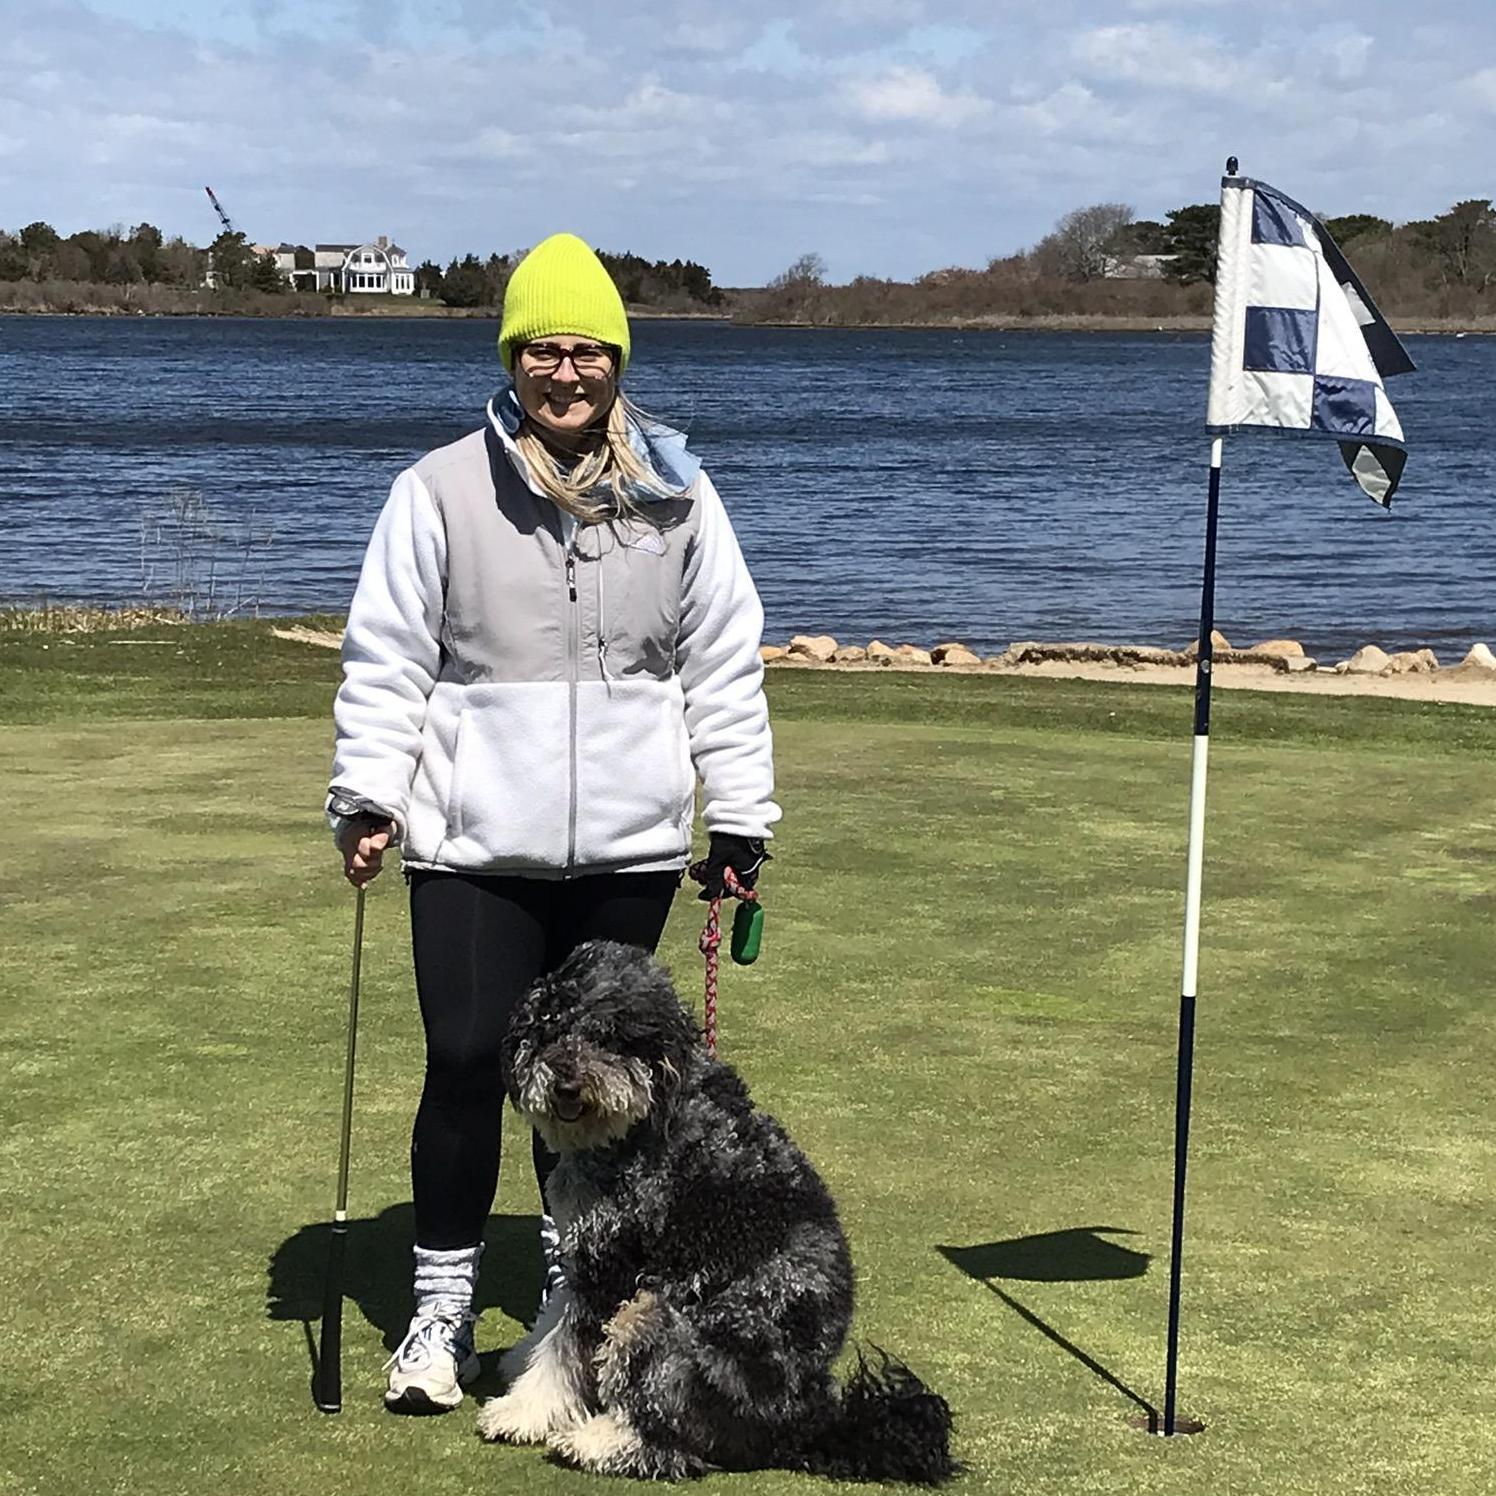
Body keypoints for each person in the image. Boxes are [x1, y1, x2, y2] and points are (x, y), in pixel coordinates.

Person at [326, 232, 778, 1414]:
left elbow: (722, 663)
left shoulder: (675, 491)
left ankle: (562, 1316)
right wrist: (368, 793)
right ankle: (435, 1315)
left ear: (616, 361)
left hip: (627, 848)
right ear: (510, 357)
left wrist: (735, 817)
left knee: (592, 1102)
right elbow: (386, 660)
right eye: (541, 350)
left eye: (585, 351)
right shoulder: (434, 489)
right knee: (472, 1062)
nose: (564, 374)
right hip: (475, 843)